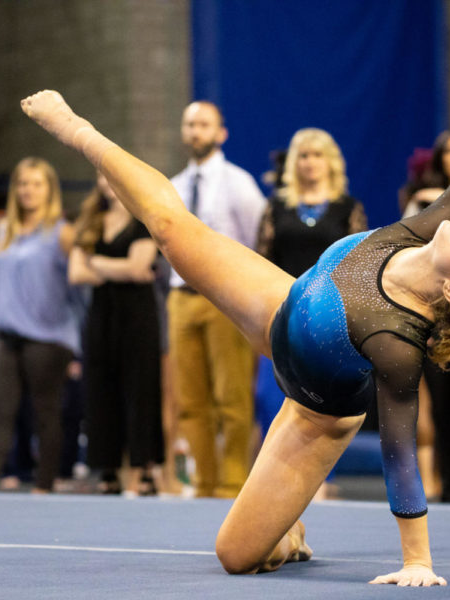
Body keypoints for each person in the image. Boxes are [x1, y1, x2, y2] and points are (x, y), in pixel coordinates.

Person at [20, 15, 450, 584]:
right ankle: (80, 130)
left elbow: (399, 452)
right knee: (175, 231)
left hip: (313, 410)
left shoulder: (396, 346)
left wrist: (417, 561)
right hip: (285, 309)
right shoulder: (436, 220)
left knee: (236, 557)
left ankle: (288, 528)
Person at [254, 129, 367, 490]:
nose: (310, 162)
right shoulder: (275, 207)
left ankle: (316, 477)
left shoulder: (347, 208)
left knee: (319, 396)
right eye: (303, 155)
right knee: (268, 394)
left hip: (326, 314)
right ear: (294, 163)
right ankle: (273, 477)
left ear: (330, 162)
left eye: (317, 155)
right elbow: (261, 259)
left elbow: (357, 262)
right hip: (280, 306)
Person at [166, 101, 267, 498]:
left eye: (203, 124)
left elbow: (259, 240)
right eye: (190, 124)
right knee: (191, 402)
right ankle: (205, 484)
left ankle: (232, 484)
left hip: (224, 300)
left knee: (232, 398)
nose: (195, 131)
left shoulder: (238, 183)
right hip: (180, 298)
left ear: (220, 133)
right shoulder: (174, 185)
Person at [0, 157, 80, 494]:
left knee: (45, 413)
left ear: (50, 191)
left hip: (48, 338)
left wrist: (78, 344)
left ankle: (44, 485)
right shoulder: (3, 231)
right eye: (23, 183)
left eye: (36, 184)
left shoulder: (63, 233)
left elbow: (81, 284)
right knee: (0, 410)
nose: (28, 190)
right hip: (7, 335)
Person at [69, 172, 164, 495]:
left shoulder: (143, 220)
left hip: (138, 318)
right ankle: (107, 469)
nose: (108, 182)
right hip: (101, 317)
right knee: (100, 391)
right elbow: (76, 272)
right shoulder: (91, 219)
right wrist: (116, 267)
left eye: (114, 175)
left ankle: (142, 469)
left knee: (140, 392)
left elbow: (140, 269)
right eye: (102, 176)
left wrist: (95, 262)